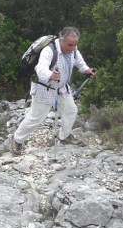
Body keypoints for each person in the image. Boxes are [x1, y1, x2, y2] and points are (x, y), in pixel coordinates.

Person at [10, 27, 95, 155]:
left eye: (75, 45)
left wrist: (87, 70)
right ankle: (17, 139)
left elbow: (79, 62)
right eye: (70, 45)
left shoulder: (73, 50)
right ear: (62, 40)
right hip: (44, 88)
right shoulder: (49, 50)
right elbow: (40, 68)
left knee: (71, 110)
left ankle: (64, 136)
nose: (72, 48)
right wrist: (50, 75)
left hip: (62, 88)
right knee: (36, 118)